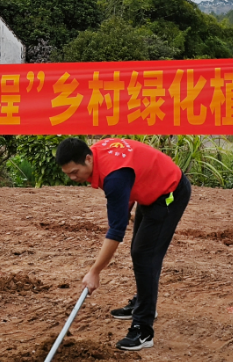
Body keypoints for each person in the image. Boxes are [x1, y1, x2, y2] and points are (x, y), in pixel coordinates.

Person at [56, 137, 191, 350]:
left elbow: (116, 232)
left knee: (145, 255)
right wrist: (125, 207)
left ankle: (143, 329)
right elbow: (131, 176)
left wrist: (95, 271)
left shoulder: (114, 177)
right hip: (150, 191)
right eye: (68, 174)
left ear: (88, 159)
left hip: (168, 194)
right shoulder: (100, 155)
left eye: (75, 172)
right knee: (141, 251)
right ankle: (144, 302)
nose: (73, 178)